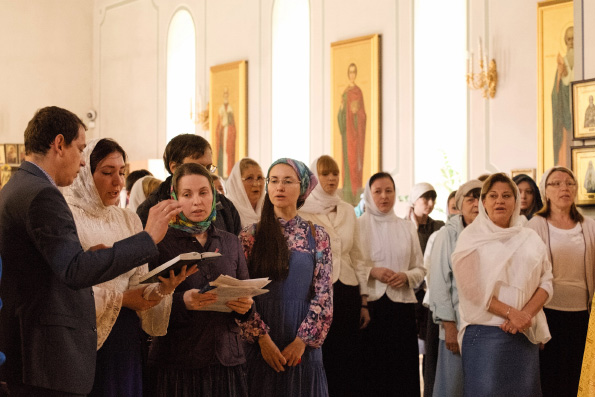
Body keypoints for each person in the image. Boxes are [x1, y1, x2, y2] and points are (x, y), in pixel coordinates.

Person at [0, 106, 178, 396]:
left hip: (27, 346)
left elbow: (45, 266)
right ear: (59, 144)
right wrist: (147, 238)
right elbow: (74, 270)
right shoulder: (44, 194)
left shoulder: (17, 185)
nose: (82, 162)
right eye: (80, 149)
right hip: (44, 352)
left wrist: (91, 256)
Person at [63, 138, 193, 396]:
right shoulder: (67, 216)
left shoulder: (128, 219)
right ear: (86, 174)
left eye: (122, 173)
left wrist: (161, 289)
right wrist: (121, 299)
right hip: (83, 334)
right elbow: (67, 285)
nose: (118, 182)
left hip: (124, 335)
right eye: (107, 173)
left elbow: (138, 282)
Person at [147, 163, 253, 396]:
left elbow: (247, 299)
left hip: (227, 360)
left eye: (204, 192)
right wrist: (182, 301)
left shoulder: (229, 242)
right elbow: (145, 307)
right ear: (174, 198)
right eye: (187, 194)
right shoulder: (159, 242)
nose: (197, 201)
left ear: (214, 195)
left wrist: (245, 307)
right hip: (178, 363)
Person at [239, 158, 333, 397]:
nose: (279, 187)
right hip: (260, 344)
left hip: (303, 344)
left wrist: (302, 342)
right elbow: (240, 295)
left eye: (288, 181)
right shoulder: (250, 236)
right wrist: (262, 340)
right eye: (274, 181)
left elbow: (324, 296)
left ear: (302, 188)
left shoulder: (317, 235)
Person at [452, 173, 553, 396]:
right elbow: (472, 290)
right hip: (485, 332)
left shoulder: (530, 237)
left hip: (524, 332)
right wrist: (510, 313)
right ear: (484, 201)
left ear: (516, 201)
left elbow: (547, 281)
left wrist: (524, 315)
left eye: (507, 195)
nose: (500, 201)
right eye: (493, 196)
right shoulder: (471, 238)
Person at [299, 155, 370, 397]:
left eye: (335, 174)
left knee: (348, 354)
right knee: (323, 354)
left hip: (347, 291)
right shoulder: (303, 211)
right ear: (313, 179)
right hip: (316, 292)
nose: (331, 179)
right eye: (325, 174)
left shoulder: (348, 210)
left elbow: (358, 256)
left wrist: (364, 301)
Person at [526, 166, 595, 397]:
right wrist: (535, 322)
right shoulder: (535, 225)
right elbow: (527, 276)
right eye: (556, 183)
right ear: (545, 191)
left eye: (569, 183)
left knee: (578, 378)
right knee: (551, 378)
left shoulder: (589, 225)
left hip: (582, 312)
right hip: (548, 312)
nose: (564, 188)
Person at [358, 172, 426, 397]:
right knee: (372, 370)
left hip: (401, 307)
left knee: (402, 371)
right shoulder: (359, 226)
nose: (384, 196)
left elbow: (420, 268)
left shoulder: (406, 227)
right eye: (377, 191)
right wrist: (372, 271)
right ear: (369, 194)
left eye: (389, 191)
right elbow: (352, 265)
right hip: (370, 307)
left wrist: (407, 276)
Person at [427, 180, 482, 397]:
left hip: (484, 325)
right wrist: (449, 326)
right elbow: (439, 282)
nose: (477, 204)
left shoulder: (491, 231)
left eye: (480, 198)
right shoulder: (447, 234)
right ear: (460, 204)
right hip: (456, 325)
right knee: (453, 387)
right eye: (471, 199)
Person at [137, 134, 242, 235]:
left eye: (209, 167)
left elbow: (236, 244)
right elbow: (146, 247)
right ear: (174, 168)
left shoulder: (223, 204)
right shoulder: (153, 207)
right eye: (198, 167)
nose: (206, 174)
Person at [406, 182, 444, 397]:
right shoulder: (403, 225)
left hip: (429, 291)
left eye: (432, 199)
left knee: (429, 347)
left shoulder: (438, 226)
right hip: (409, 290)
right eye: (425, 198)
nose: (429, 204)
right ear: (414, 199)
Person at [337, 63, 366, 203]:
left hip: (356, 136)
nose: (352, 75)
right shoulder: (346, 92)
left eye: (354, 72)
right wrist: (342, 108)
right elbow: (341, 119)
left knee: (356, 165)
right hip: (346, 138)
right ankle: (348, 196)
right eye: (350, 72)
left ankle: (356, 196)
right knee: (347, 165)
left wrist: (356, 114)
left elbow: (363, 116)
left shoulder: (358, 92)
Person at [552, 26, 574, 166]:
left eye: (574, 39)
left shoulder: (583, 62)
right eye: (569, 39)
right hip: (565, 117)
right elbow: (554, 93)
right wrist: (560, 76)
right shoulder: (562, 63)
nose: (571, 42)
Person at [226, 158, 266, 228]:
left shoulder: (269, 208)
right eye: (249, 178)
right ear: (237, 183)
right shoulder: (228, 210)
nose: (256, 184)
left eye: (259, 178)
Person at [215, 87, 237, 177]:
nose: (226, 96)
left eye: (227, 95)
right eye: (224, 95)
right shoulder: (221, 109)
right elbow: (218, 124)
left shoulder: (230, 109)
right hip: (223, 134)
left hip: (229, 134)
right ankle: (222, 173)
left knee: (228, 156)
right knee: (222, 155)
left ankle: (228, 173)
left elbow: (233, 124)